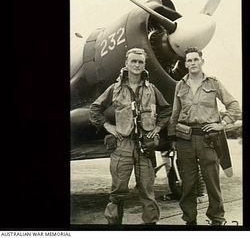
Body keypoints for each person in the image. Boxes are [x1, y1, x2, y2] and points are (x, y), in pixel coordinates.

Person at [89, 48, 172, 225]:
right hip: (122, 146)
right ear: (126, 63)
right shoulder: (114, 89)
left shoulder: (152, 89)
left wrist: (157, 127)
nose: (137, 65)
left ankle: (150, 226)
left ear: (144, 65)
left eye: (140, 62)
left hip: (146, 147)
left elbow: (166, 110)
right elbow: (95, 109)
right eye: (133, 61)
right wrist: (108, 126)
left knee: (148, 192)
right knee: (118, 192)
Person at [168, 47, 241, 225]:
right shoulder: (180, 85)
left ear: (202, 61)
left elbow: (233, 105)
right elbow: (175, 114)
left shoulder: (213, 83)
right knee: (188, 184)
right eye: (189, 61)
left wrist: (221, 124)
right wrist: (172, 139)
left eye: (195, 59)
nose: (192, 63)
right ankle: (190, 220)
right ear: (185, 64)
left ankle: (217, 219)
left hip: (208, 138)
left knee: (212, 182)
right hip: (185, 138)